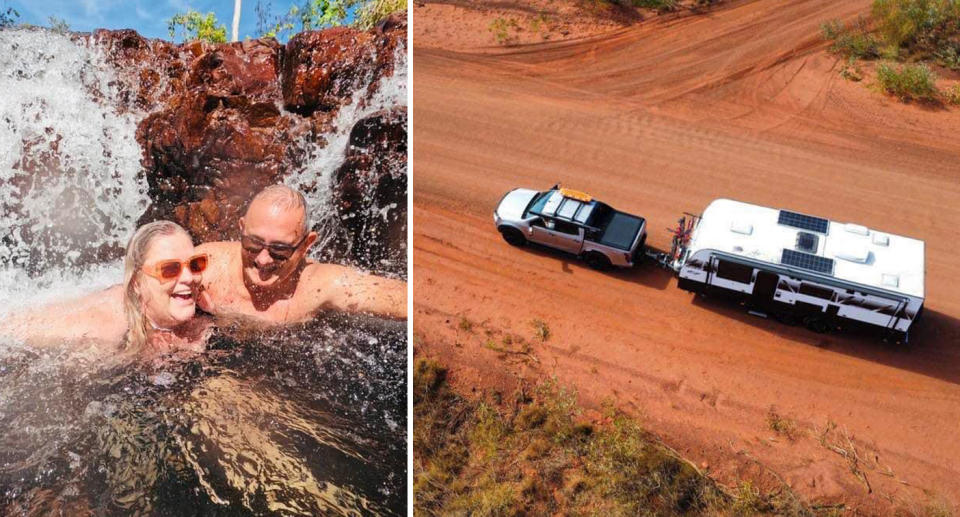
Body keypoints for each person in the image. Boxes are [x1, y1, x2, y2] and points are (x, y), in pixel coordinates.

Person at [0, 221, 211, 362]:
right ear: (137, 283)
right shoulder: (103, 327)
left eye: (195, 264)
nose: (189, 277)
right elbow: (13, 330)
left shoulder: (207, 297)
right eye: (170, 269)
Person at [194, 184, 406, 324]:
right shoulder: (208, 266)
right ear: (241, 229)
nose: (262, 259)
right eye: (253, 244)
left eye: (279, 251)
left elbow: (403, 300)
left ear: (306, 245)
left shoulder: (321, 286)